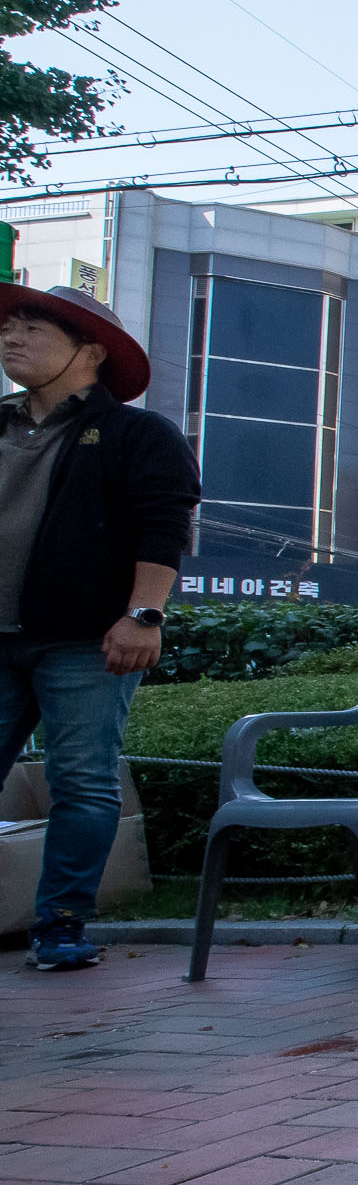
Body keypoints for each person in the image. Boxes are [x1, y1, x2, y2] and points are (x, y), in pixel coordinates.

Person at [0, 285, 199, 970]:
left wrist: (144, 615)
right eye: (9, 328)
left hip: (85, 636)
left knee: (81, 779)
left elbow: (164, 526)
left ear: (89, 351)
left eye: (32, 329)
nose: (11, 339)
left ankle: (59, 923)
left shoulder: (136, 433)